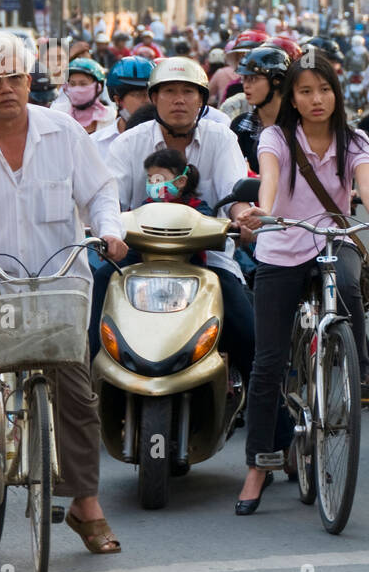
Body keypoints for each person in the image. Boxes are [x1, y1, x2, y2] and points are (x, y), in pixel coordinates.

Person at [0, 30, 127, 552]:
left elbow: (101, 190)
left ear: (29, 79)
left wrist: (109, 229)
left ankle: (84, 502)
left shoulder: (63, 133)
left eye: (15, 78)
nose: (7, 89)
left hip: (57, 277)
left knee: (76, 389)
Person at [234, 51, 369, 514]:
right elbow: (267, 181)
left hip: (333, 239)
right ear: (291, 96)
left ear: (337, 93)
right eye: (306, 91)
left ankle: (346, 358)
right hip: (281, 245)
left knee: (350, 289)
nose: (317, 99)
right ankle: (257, 464)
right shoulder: (275, 137)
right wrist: (261, 212)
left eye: (325, 90)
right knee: (267, 360)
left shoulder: (353, 141)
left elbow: (367, 185)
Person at [102, 56, 256, 391]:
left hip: (208, 257)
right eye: (169, 91)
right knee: (96, 307)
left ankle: (273, 429)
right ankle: (88, 395)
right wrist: (106, 229)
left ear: (202, 99)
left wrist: (242, 216)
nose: (179, 99)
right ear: (153, 98)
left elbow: (234, 194)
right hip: (137, 256)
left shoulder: (221, 138)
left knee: (249, 334)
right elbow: (110, 202)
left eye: (188, 91)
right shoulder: (129, 143)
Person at [230, 46, 289, 173]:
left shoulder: (298, 127)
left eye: (253, 79)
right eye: (244, 79)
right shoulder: (240, 126)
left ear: (276, 81)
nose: (246, 85)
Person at [92, 56, 152, 158]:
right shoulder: (96, 144)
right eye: (139, 95)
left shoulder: (170, 140)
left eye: (151, 94)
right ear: (118, 100)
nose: (147, 101)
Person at [53, 57, 112, 134]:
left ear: (98, 87)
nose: (77, 89)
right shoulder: (57, 113)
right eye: (73, 84)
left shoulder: (110, 117)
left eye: (83, 84)